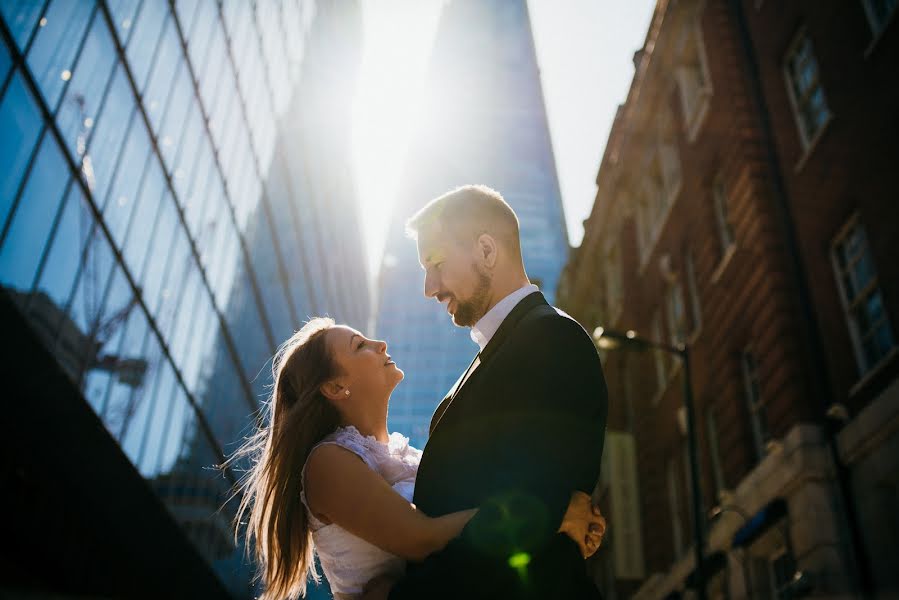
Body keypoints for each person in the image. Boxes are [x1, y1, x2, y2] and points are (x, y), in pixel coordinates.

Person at [230, 316, 605, 600]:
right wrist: (550, 514)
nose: (380, 344)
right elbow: (422, 538)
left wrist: (559, 535)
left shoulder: (409, 456)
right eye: (360, 345)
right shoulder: (327, 462)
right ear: (336, 387)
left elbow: (465, 527)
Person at [372, 185, 609, 599]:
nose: (430, 287)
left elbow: (523, 517)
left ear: (486, 251)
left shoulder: (550, 339)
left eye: (437, 263)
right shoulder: (497, 354)